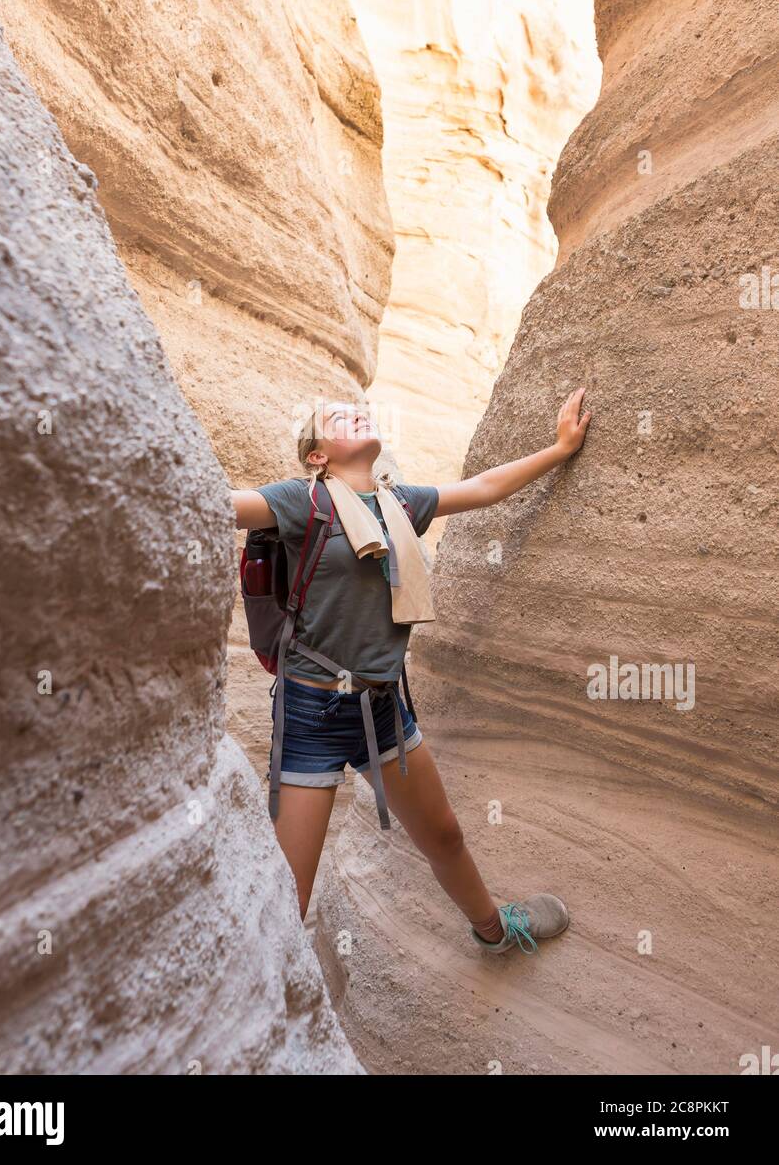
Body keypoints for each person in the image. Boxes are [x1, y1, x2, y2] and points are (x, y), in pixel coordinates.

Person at [231, 388, 591, 955]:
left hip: (380, 707)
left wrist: (560, 448)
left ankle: (494, 933)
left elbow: (482, 488)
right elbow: (218, 505)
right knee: (289, 895)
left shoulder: (398, 505)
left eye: (359, 409)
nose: (355, 411)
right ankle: (255, 1009)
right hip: (311, 715)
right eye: (335, 417)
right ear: (317, 455)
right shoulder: (300, 501)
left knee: (444, 834)